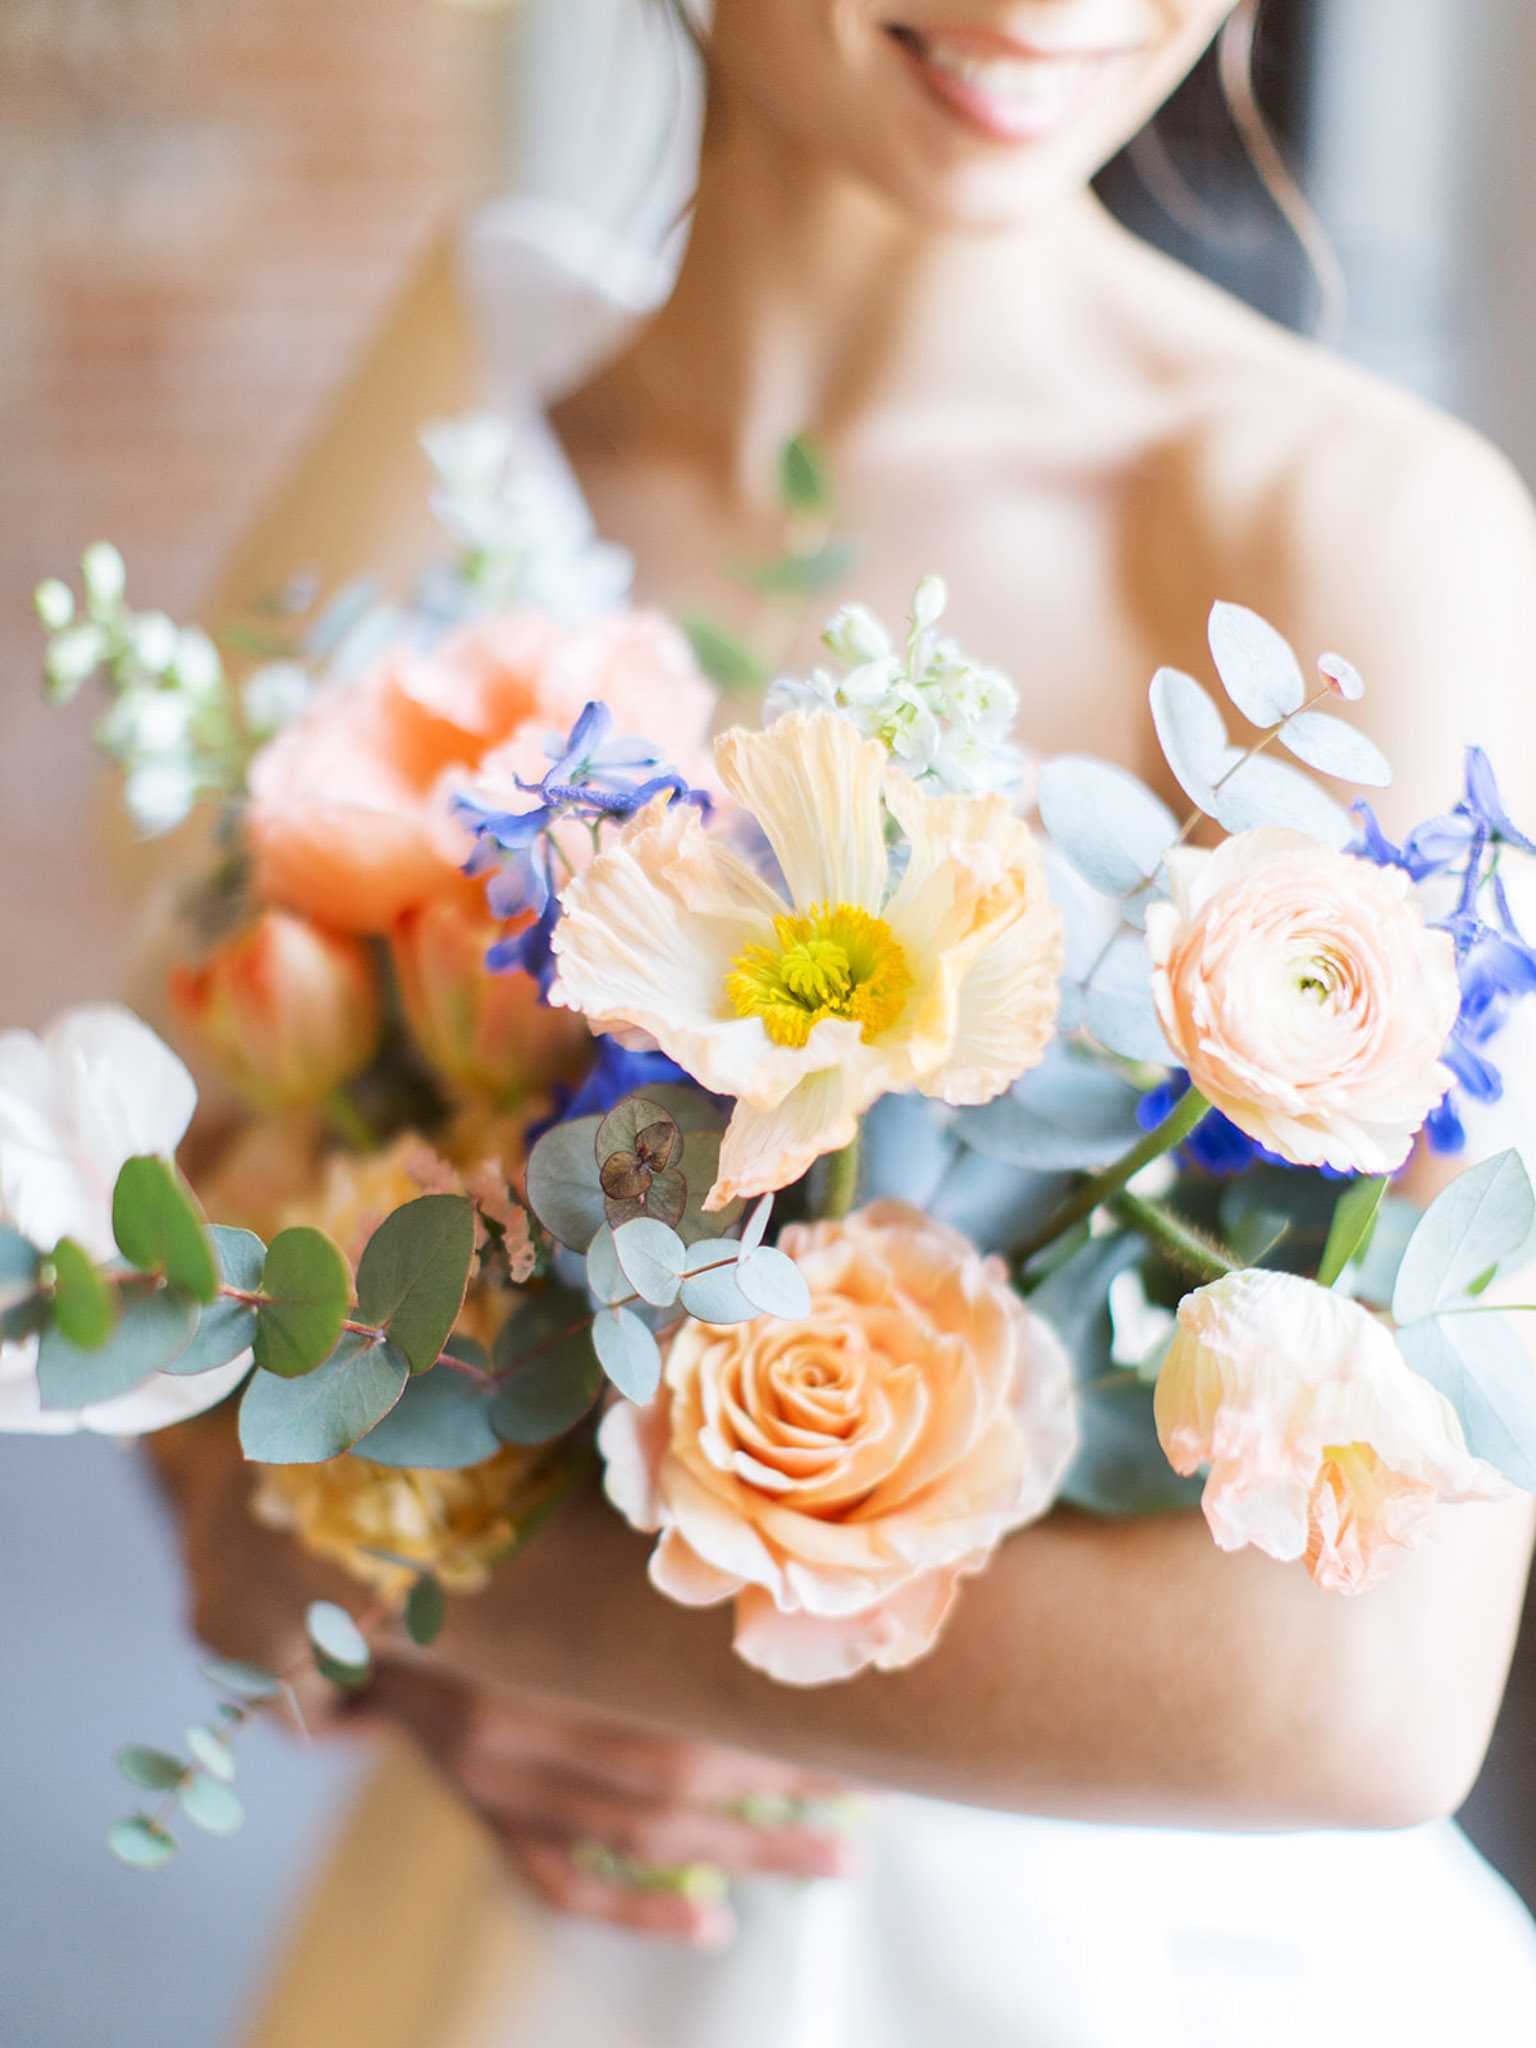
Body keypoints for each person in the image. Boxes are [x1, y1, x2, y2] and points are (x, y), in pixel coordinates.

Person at [176, 2, 1536, 2040]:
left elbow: (1371, 1695)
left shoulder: (1355, 533)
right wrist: (326, 1559)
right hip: (542, 1958)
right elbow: (184, 1349)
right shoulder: (462, 459)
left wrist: (432, 1584)